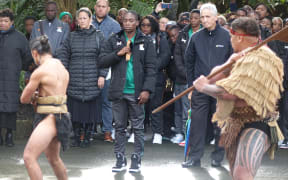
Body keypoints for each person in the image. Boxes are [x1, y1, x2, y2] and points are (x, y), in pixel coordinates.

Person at [193, 17, 284, 180]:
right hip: (236, 123)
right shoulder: (241, 56)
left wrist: (204, 88)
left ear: (239, 37)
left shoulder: (259, 58)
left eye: (231, 36)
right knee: (237, 175)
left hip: (258, 122)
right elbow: (212, 77)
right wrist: (229, 62)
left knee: (243, 175)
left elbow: (231, 93)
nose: (230, 40)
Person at [98, 10, 156, 173]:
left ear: (137, 22)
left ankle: (136, 158)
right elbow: (102, 61)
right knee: (120, 127)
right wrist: (119, 53)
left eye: (132, 20)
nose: (128, 23)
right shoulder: (114, 39)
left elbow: (152, 68)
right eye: (125, 20)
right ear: (121, 22)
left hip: (137, 92)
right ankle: (120, 158)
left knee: (138, 127)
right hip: (118, 91)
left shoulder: (146, 40)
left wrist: (146, 90)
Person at [183, 3, 233, 168]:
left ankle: (217, 158)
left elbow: (234, 64)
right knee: (197, 123)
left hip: (220, 89)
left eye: (207, 17)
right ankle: (194, 157)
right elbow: (189, 63)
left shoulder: (227, 36)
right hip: (200, 88)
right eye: (202, 17)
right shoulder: (195, 37)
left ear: (216, 17)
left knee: (220, 124)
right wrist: (191, 86)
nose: (204, 20)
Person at [21, 35, 71, 180]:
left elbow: (24, 98)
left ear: (35, 53)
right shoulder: (61, 67)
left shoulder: (40, 72)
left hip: (50, 117)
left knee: (29, 157)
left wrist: (34, 96)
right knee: (53, 158)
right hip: (62, 115)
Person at [56, 7, 106, 147]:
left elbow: (104, 57)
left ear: (90, 19)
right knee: (75, 110)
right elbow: (63, 55)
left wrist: (102, 75)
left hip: (93, 79)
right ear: (77, 20)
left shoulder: (98, 36)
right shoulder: (71, 37)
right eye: (80, 18)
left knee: (91, 111)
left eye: (85, 18)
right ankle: (77, 137)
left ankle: (88, 136)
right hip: (75, 79)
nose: (82, 21)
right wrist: (64, 72)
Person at [0, 8, 33, 147]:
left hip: (11, 78)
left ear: (12, 22)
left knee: (10, 108)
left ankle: (9, 134)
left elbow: (27, 58)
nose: (2, 23)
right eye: (0, 21)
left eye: (5, 21)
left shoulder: (19, 38)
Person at [139, 15, 171, 144]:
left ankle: (157, 132)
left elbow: (165, 56)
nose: (145, 28)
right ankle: (137, 132)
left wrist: (151, 67)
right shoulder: (138, 38)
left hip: (156, 76)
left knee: (156, 105)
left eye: (148, 25)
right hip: (140, 76)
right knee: (139, 105)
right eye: (143, 25)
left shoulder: (160, 37)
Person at [92, 0, 121, 142]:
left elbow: (117, 49)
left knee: (106, 101)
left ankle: (107, 131)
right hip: (89, 68)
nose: (101, 9)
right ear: (95, 7)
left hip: (108, 68)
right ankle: (89, 130)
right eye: (99, 6)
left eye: (104, 7)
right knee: (90, 100)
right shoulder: (86, 21)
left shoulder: (115, 25)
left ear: (108, 8)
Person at [171, 9, 202, 145]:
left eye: (196, 17)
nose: (193, 20)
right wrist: (185, 72)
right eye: (191, 17)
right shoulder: (183, 33)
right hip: (183, 78)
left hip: (201, 77)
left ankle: (198, 136)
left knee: (199, 108)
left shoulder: (205, 32)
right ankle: (183, 134)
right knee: (183, 108)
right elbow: (177, 55)